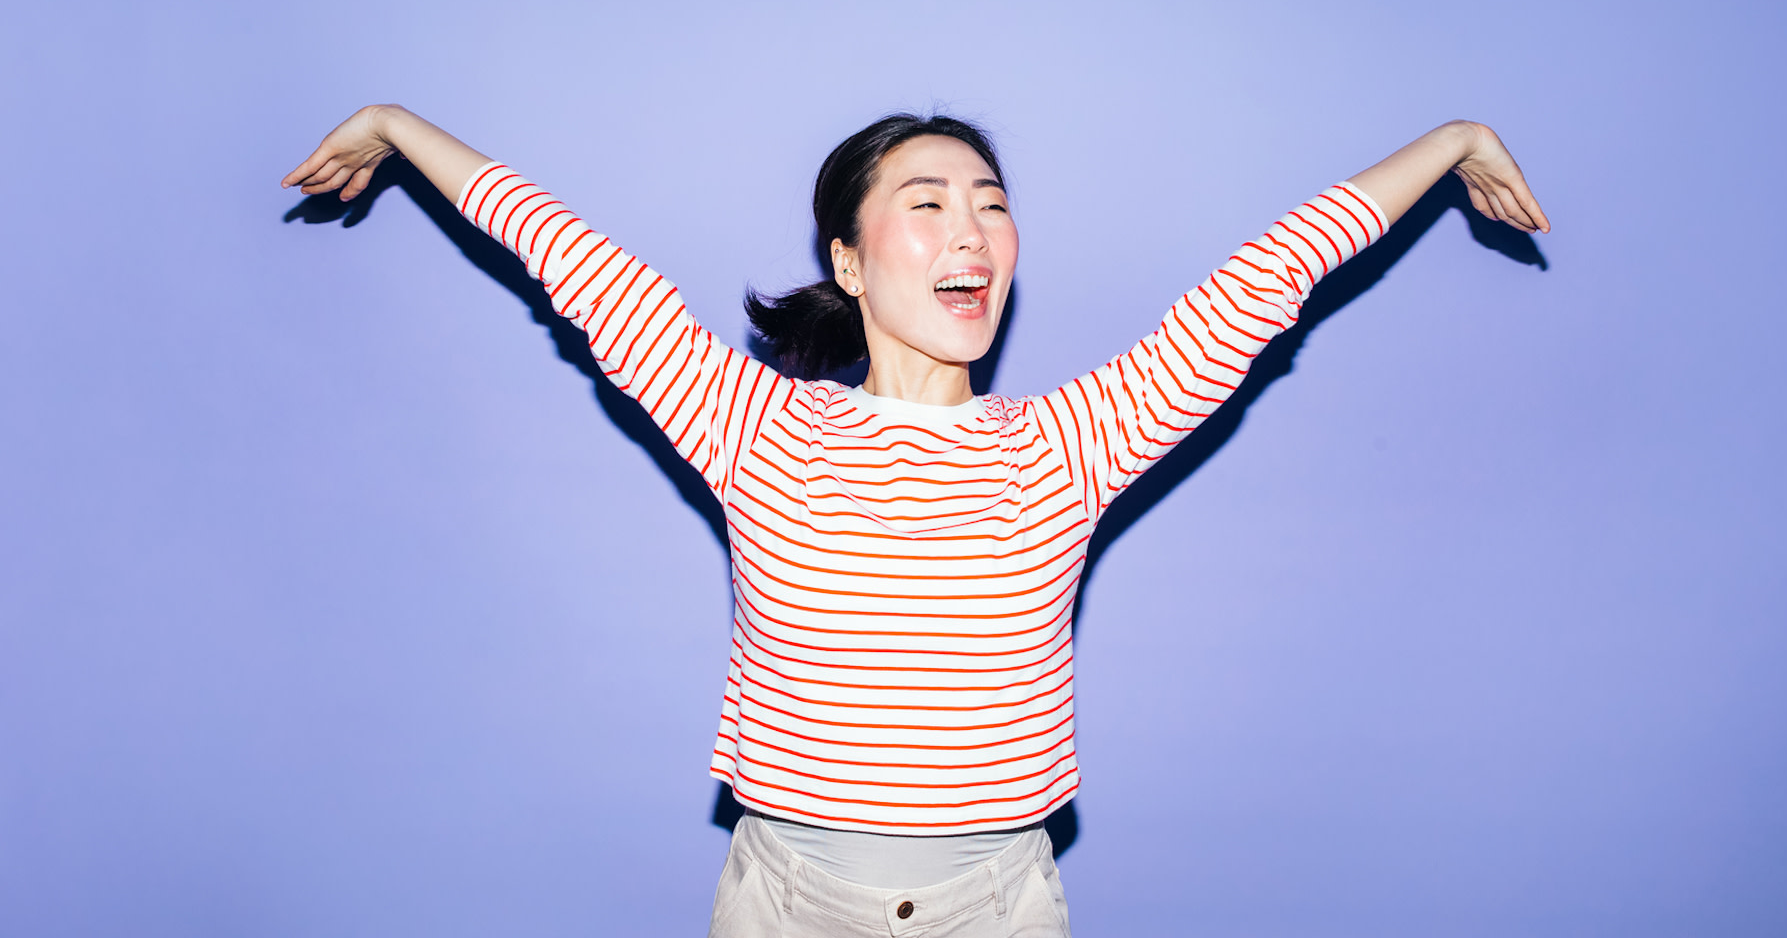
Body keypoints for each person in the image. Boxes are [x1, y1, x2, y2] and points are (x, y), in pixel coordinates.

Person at [284, 107, 1548, 937]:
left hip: (997, 909)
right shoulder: (758, 425)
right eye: (928, 201)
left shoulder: (1068, 442)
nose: (972, 230)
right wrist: (400, 130)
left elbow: (1262, 287)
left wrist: (1453, 144)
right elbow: (580, 268)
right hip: (787, 903)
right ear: (848, 260)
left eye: (992, 203)